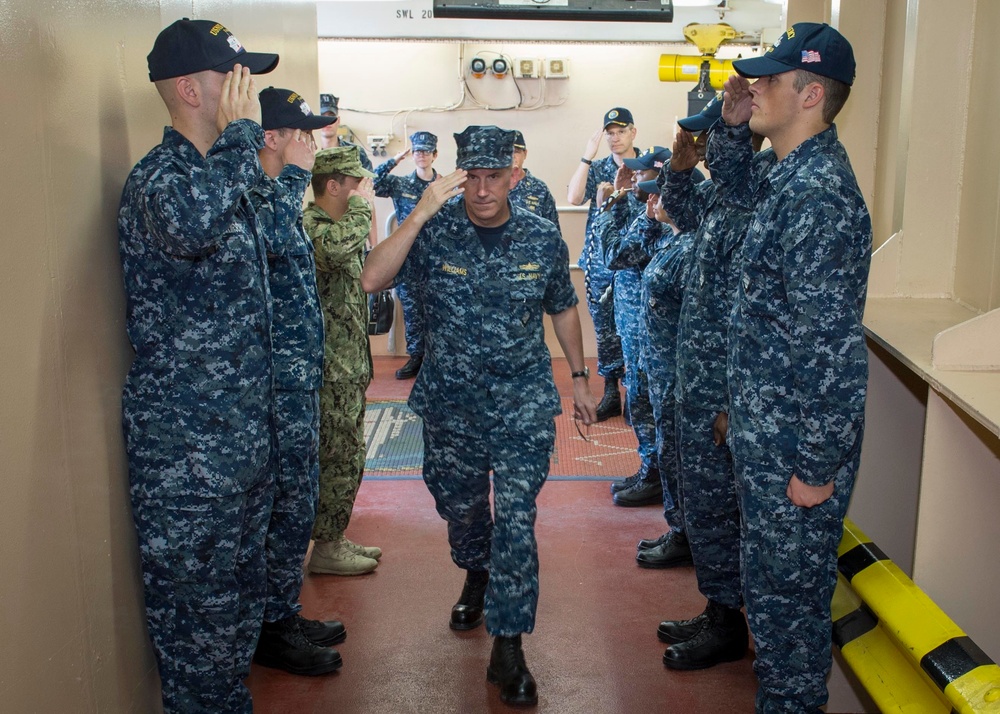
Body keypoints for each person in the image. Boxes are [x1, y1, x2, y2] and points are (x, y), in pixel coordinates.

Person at [360, 125, 597, 707]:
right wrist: (417, 213)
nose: (484, 188)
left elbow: (562, 308)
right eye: (473, 176)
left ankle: (509, 644)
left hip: (521, 402)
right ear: (458, 175)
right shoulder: (433, 231)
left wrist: (582, 378)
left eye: (496, 176)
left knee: (516, 517)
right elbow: (372, 277)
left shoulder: (542, 237)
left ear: (515, 176)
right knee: (461, 508)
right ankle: (475, 568)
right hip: (451, 403)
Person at [119, 18, 278, 713]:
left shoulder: (224, 178)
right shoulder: (161, 181)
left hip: (239, 444)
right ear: (190, 88)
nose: (248, 92)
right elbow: (188, 230)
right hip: (188, 460)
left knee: (234, 623)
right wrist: (243, 140)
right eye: (233, 77)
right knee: (197, 637)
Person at [712, 23, 871, 711]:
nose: (755, 86)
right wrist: (731, 122)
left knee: (792, 618)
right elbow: (730, 183)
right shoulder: (789, 175)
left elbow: (833, 350)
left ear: (809, 95)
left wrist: (815, 466)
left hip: (794, 458)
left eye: (769, 79)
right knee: (775, 612)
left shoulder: (819, 198)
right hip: (769, 443)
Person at [655, 95, 759, 671]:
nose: (704, 146)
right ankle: (720, 613)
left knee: (726, 508)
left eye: (710, 137)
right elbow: (678, 208)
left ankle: (731, 625)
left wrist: (725, 399)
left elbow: (750, 318)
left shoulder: (757, 197)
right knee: (709, 508)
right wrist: (678, 165)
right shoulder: (724, 198)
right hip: (696, 380)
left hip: (722, 387)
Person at [248, 87, 345, 676]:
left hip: (296, 377)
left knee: (296, 502)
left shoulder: (278, 194)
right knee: (280, 505)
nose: (311, 144)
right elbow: (277, 244)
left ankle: (281, 613)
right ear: (271, 137)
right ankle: (270, 627)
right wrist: (294, 179)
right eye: (301, 133)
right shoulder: (259, 197)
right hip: (274, 386)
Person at [304, 146, 382, 576]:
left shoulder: (340, 228)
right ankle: (327, 549)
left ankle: (333, 535)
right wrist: (359, 211)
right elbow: (333, 252)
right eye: (353, 184)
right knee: (337, 457)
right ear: (333, 186)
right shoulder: (315, 226)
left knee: (348, 455)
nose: (360, 191)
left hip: (347, 365)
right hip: (329, 370)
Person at [593, 147, 667, 508]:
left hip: (647, 329)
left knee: (647, 402)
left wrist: (610, 203)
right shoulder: (643, 211)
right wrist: (621, 200)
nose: (634, 178)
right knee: (639, 399)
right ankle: (649, 468)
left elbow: (615, 254)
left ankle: (655, 475)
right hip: (632, 324)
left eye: (640, 175)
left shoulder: (654, 216)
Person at [567, 107, 641, 422]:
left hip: (635, 264)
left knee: (636, 330)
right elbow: (573, 197)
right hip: (600, 264)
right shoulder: (597, 168)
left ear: (633, 132)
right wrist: (587, 156)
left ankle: (637, 397)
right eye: (610, 132)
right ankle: (611, 392)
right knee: (605, 330)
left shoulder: (648, 165)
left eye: (620, 131)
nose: (614, 138)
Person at [373, 131, 441, 380]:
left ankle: (438, 361)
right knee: (413, 310)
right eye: (417, 151)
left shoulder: (443, 185)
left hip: (438, 261)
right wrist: (394, 160)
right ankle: (417, 357)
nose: (421, 155)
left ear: (435, 155)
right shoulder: (401, 184)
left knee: (440, 311)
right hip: (409, 259)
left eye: (426, 151)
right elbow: (372, 182)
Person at [508, 130, 560, 230]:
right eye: (508, 152)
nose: (513, 156)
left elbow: (554, 231)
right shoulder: (493, 186)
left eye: (517, 152)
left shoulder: (540, 189)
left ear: (525, 154)